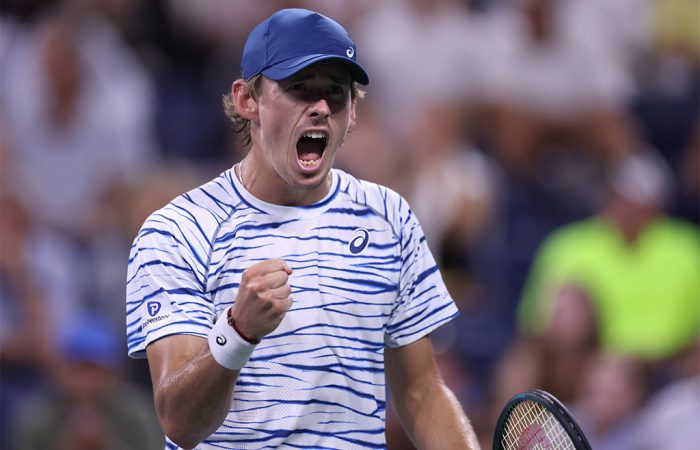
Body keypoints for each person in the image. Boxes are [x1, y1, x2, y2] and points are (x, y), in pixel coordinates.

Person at [126, 8, 480, 450]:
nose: (319, 108)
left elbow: (421, 392)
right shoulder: (177, 231)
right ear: (246, 100)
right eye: (298, 90)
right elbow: (179, 422)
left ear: (352, 114)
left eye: (335, 94)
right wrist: (237, 332)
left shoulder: (390, 217)